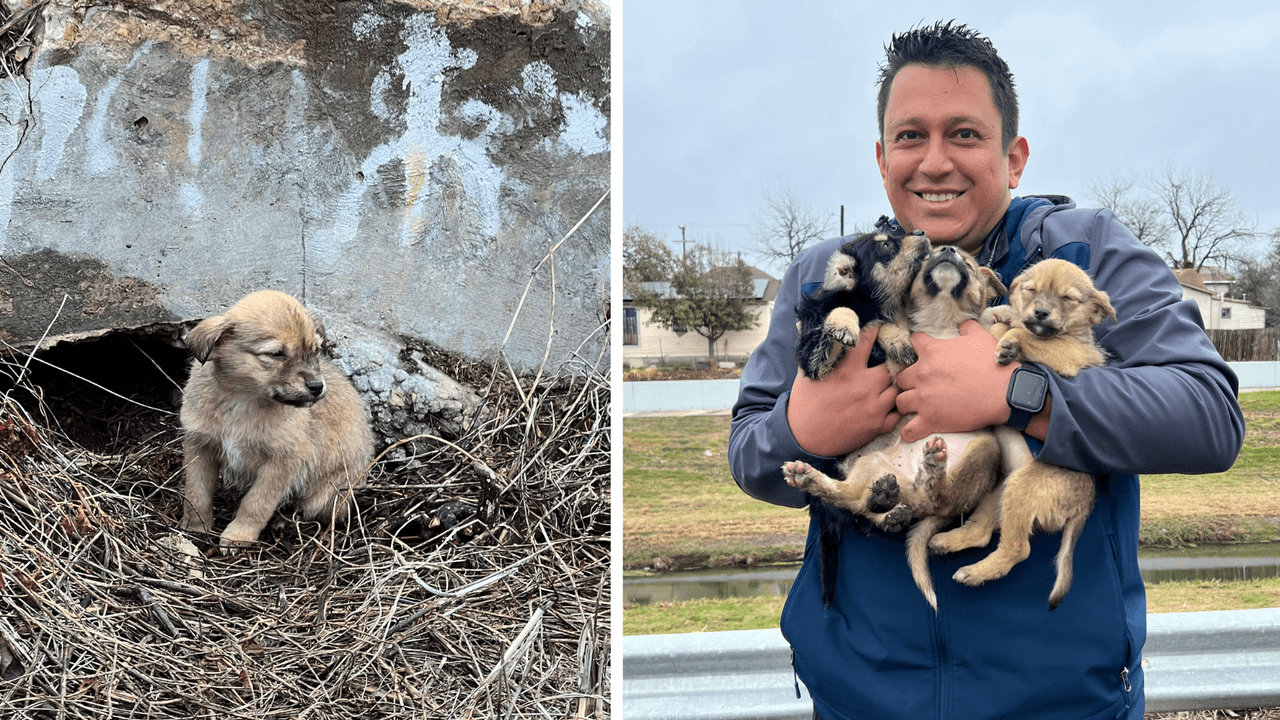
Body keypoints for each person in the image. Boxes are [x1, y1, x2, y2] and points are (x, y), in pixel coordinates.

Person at [728, 20, 1244, 720]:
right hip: (861, 698)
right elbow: (751, 454)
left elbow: (1210, 419)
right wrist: (804, 426)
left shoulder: (1089, 254)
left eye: (964, 134)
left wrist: (1018, 393)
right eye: (911, 136)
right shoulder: (829, 276)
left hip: (1061, 705)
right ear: (882, 158)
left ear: (1015, 157)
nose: (934, 162)